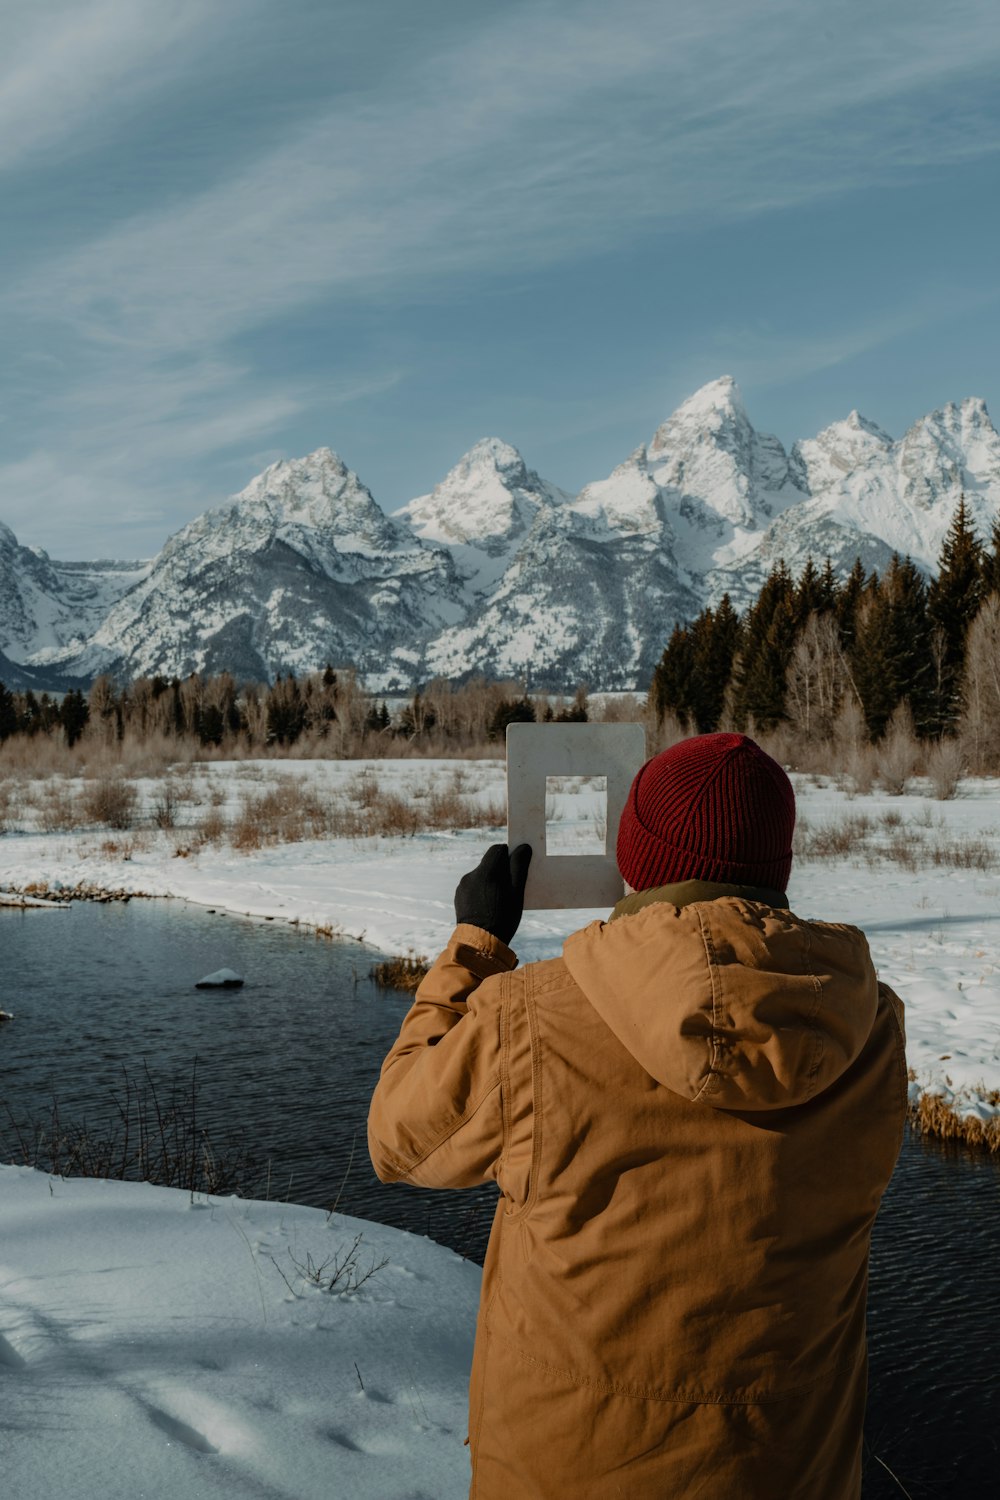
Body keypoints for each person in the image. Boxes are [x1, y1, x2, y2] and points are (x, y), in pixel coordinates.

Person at [368, 732, 906, 1499]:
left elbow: (395, 1139)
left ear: (638, 860)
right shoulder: (870, 1027)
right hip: (791, 1471)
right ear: (777, 863)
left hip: (570, 1473)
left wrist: (474, 947)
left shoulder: (533, 1020)